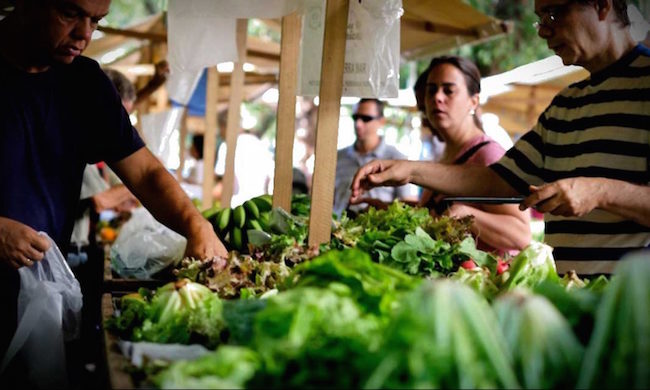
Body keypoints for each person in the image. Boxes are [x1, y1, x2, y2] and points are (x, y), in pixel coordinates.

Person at [0, 0, 227, 374]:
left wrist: (196, 224)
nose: (84, 34)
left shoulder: (85, 84)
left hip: (34, 298)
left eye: (97, 21)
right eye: (70, 13)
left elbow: (145, 172)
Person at [351, 0, 650, 275]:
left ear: (601, 5)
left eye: (554, 13)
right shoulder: (565, 104)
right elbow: (499, 179)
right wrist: (409, 171)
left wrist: (600, 191)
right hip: (571, 298)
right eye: (540, 18)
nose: (544, 30)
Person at [414, 56, 531, 253]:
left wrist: (466, 214)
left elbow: (521, 235)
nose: (437, 97)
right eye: (431, 90)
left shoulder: (488, 155)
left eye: (448, 90)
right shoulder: (446, 153)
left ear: (473, 101)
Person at [333, 98, 419, 217]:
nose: (358, 124)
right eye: (355, 117)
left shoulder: (396, 159)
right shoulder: (337, 157)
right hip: (336, 229)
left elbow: (406, 203)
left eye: (366, 118)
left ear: (381, 122)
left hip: (376, 231)